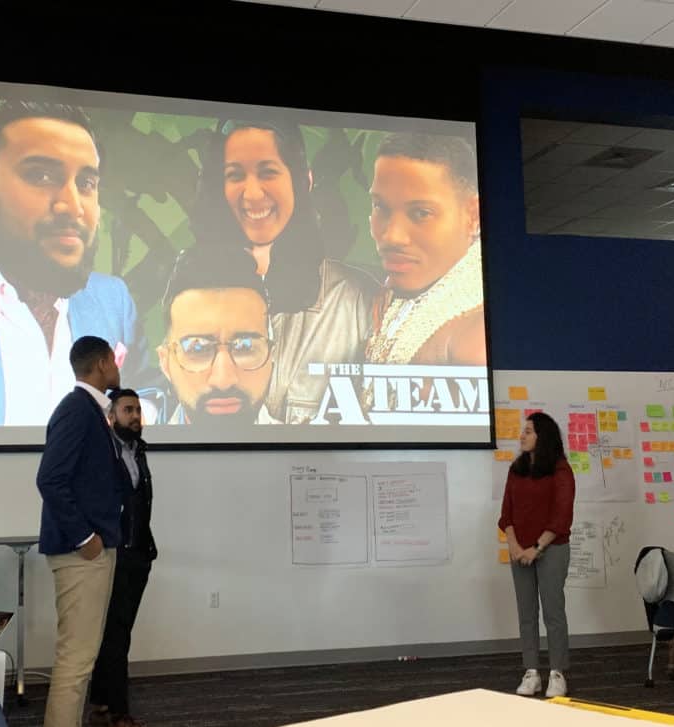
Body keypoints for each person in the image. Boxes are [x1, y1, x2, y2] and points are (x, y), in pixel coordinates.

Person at [0, 99, 147, 427]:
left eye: (86, 183)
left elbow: (148, 395)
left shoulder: (114, 301)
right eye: (41, 175)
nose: (71, 205)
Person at [192, 117, 379, 424]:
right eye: (234, 175)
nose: (252, 194)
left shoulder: (355, 302)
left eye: (268, 172)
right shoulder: (191, 296)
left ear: (303, 181)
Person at [36, 336, 127, 727]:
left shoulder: (92, 409)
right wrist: (85, 538)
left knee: (81, 658)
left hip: (93, 549)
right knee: (76, 661)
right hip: (80, 553)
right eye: (115, 361)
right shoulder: (77, 409)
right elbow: (50, 479)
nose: (118, 367)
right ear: (104, 363)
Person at [365, 132, 485, 367]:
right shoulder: (398, 292)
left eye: (421, 213)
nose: (392, 236)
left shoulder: (472, 339)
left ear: (473, 215)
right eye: (381, 206)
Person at [89, 388, 157, 727]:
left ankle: (101, 700)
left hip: (138, 554)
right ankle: (118, 710)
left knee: (119, 631)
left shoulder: (138, 451)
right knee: (116, 634)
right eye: (128, 409)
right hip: (113, 554)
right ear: (111, 416)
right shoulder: (104, 452)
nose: (135, 416)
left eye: (138, 410)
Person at [157, 245, 277, 429]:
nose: (223, 380)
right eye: (198, 347)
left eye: (244, 347)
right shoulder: (123, 454)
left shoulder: (306, 456)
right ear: (165, 363)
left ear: (272, 356)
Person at [498, 412, 576, 699]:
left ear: (543, 437)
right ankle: (531, 671)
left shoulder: (560, 470)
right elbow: (506, 513)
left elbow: (561, 517)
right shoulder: (516, 469)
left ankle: (557, 672)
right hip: (520, 552)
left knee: (553, 612)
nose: (522, 435)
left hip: (551, 549)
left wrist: (536, 548)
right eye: (523, 431)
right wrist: (516, 546)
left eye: (528, 431)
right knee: (526, 613)